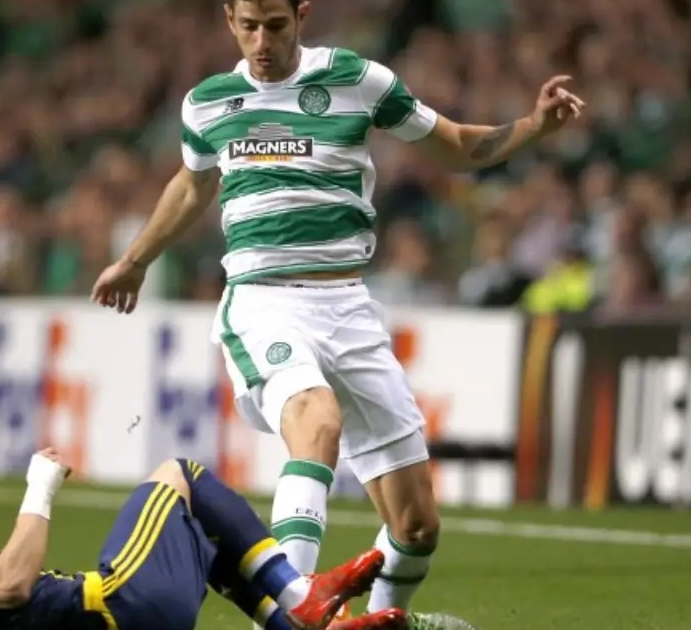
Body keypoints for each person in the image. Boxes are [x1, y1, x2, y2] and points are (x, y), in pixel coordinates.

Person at [91, 0, 586, 624]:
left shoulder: (356, 79)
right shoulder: (208, 103)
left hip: (348, 307)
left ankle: (385, 623)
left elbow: (458, 146)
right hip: (263, 300)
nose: (262, 42)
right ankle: (292, 611)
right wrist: (135, 259)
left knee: (416, 526)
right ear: (229, 20)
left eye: (275, 25)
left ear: (301, 15)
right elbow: (192, 185)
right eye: (249, 27)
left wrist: (534, 126)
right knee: (316, 419)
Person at [0, 451, 408, 630]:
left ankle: (299, 621)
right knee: (179, 477)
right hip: (120, 611)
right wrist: (40, 486)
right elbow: (8, 585)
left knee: (198, 534)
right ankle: (298, 598)